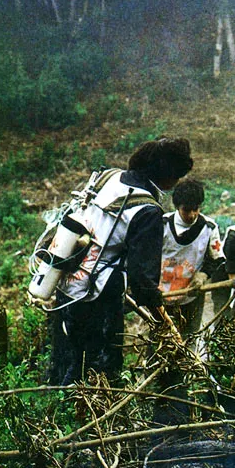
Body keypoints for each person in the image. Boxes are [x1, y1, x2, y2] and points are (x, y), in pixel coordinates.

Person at [50, 138, 193, 385]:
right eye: (177, 176)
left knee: (66, 354)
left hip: (65, 279)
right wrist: (162, 318)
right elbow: (142, 280)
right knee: (99, 368)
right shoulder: (147, 210)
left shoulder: (110, 177)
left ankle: (57, 411)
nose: (177, 183)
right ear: (167, 175)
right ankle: (92, 417)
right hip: (97, 294)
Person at [159, 179, 224, 342]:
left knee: (189, 338)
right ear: (177, 207)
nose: (192, 215)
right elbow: (147, 256)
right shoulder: (162, 224)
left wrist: (203, 275)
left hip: (191, 295)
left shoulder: (209, 228)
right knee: (160, 338)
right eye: (186, 210)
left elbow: (216, 259)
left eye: (195, 209)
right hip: (161, 294)